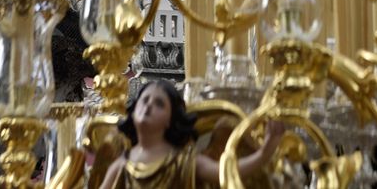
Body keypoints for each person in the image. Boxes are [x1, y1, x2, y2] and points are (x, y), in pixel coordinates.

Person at [97, 79, 285, 189]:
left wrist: (264, 153)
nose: (148, 106)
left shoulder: (183, 162)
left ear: (170, 120)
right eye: (144, 100)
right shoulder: (122, 166)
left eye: (159, 104)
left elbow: (225, 172)